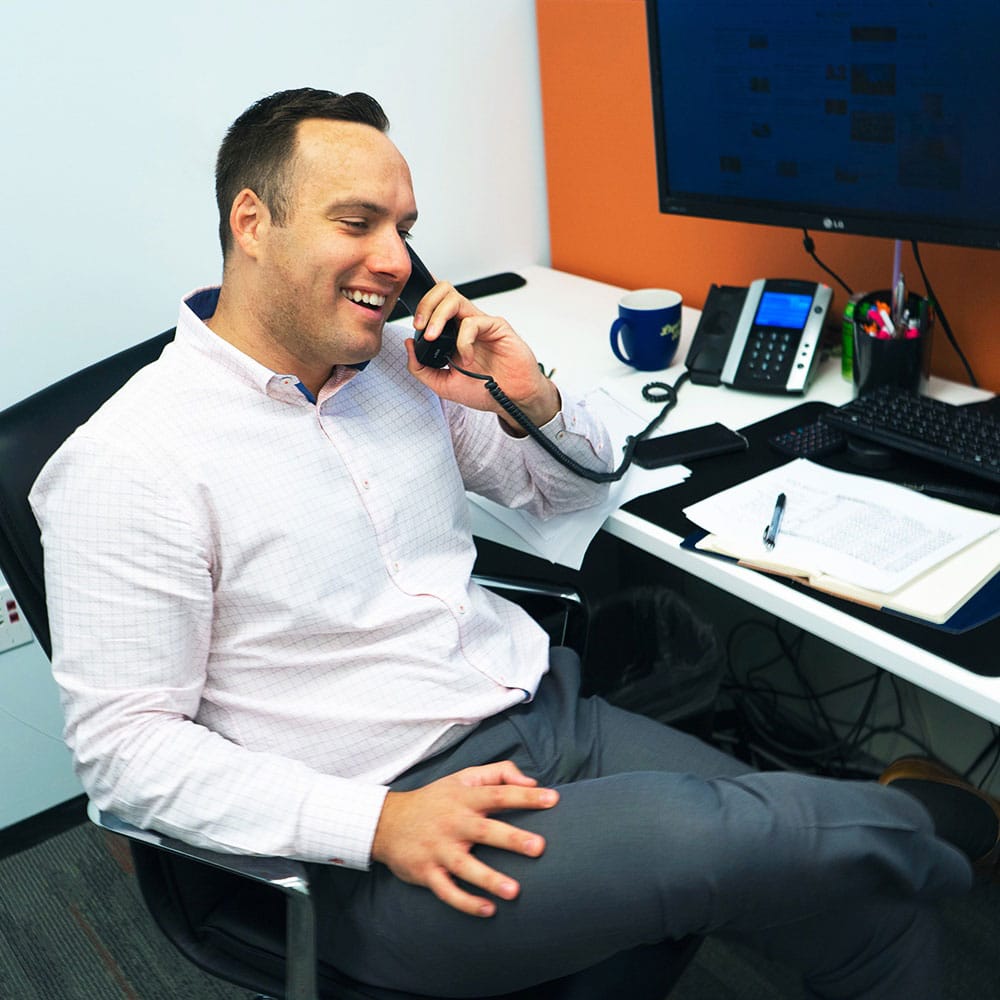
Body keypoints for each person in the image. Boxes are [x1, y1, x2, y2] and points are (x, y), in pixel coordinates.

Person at [30, 88, 998, 999]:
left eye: (404, 230)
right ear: (252, 222)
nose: (395, 261)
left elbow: (567, 485)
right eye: (357, 222)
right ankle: (930, 821)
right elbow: (125, 755)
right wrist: (377, 822)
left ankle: (894, 842)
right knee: (721, 836)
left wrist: (526, 392)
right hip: (387, 831)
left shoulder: (399, 372)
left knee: (866, 909)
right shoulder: (130, 461)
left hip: (548, 720)